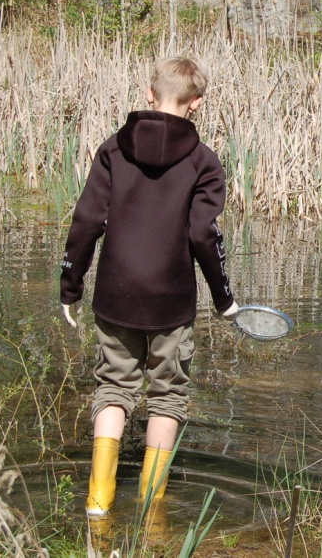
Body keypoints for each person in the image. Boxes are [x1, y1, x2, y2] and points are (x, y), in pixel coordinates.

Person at [59, 57, 239, 516]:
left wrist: (70, 286)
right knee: (167, 397)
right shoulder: (204, 161)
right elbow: (204, 235)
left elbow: (86, 221)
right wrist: (224, 299)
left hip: (114, 296)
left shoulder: (112, 150)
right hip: (170, 301)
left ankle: (98, 502)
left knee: (113, 389)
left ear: (148, 93)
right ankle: (151, 507)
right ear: (197, 103)